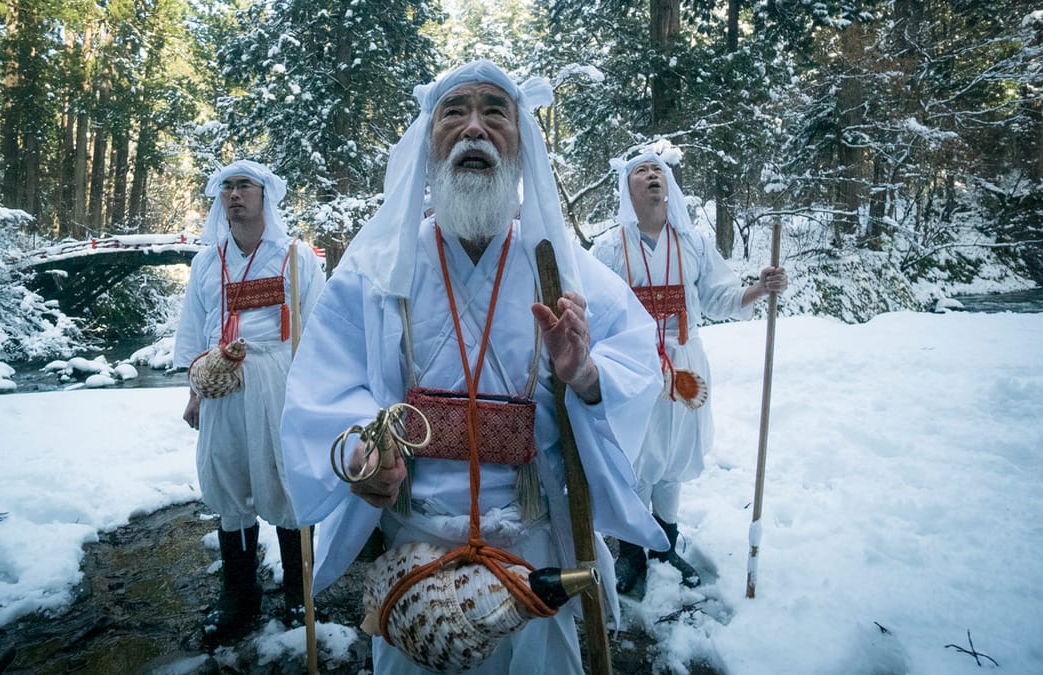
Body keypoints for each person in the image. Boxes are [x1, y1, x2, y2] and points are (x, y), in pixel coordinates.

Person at [279, 60, 668, 674]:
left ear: (521, 143)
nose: (474, 129)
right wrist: (361, 453)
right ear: (429, 143)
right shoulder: (377, 269)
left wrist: (588, 376)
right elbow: (324, 386)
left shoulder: (562, 268)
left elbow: (639, 363)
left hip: (534, 556)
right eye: (454, 112)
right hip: (416, 554)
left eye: (495, 112)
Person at [591, 152, 788, 593]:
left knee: (675, 453)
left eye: (658, 169)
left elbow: (719, 297)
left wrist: (760, 288)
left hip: (685, 364)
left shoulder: (693, 242)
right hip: (634, 364)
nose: (652, 175)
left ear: (670, 185)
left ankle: (665, 544)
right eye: (641, 171)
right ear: (628, 189)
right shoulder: (609, 248)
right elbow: (594, 308)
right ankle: (632, 552)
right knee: (636, 456)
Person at [173, 160, 325, 642]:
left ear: (265, 196)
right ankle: (239, 594)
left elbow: (319, 331)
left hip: (281, 379)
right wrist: (196, 391)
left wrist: (314, 396)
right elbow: (196, 330)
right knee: (229, 477)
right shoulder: (206, 262)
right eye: (227, 187)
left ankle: (301, 593)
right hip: (223, 381)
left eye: (244, 186)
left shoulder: (297, 257)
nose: (234, 194)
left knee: (285, 477)